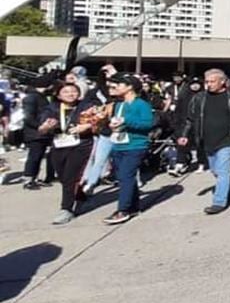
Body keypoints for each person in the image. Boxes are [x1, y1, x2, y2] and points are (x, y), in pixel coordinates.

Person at [179, 69, 230, 215]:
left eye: (212, 81)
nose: (209, 84)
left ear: (222, 81)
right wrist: (184, 135)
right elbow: (190, 119)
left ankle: (219, 202)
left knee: (222, 170)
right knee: (215, 170)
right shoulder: (200, 98)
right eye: (206, 82)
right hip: (207, 140)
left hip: (228, 139)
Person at [105, 73, 155, 225]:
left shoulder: (142, 104)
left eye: (119, 85)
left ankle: (123, 209)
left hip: (135, 145)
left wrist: (127, 121)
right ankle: (133, 206)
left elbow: (147, 124)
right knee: (124, 176)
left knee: (126, 176)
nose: (115, 88)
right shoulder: (119, 105)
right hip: (118, 144)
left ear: (130, 87)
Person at [48, 82, 99, 225]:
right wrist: (46, 126)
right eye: (66, 92)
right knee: (63, 177)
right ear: (58, 95)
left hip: (81, 145)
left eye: (73, 91)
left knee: (71, 176)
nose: (70, 94)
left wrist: (87, 125)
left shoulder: (86, 105)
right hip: (59, 144)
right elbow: (43, 122)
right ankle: (81, 197)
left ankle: (66, 209)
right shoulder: (52, 107)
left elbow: (99, 120)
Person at [21, 74, 57, 189]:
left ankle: (33, 178)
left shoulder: (40, 96)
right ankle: (28, 179)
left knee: (39, 155)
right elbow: (28, 117)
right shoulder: (32, 97)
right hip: (35, 133)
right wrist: (40, 126)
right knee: (34, 156)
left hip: (42, 132)